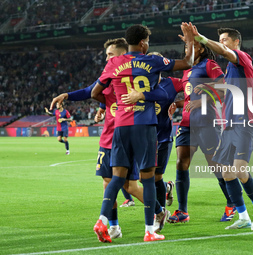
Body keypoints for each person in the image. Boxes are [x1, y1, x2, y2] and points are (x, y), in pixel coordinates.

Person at [49, 38, 169, 240]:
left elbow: (158, 93)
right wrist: (70, 97)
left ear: (122, 55)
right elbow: (90, 91)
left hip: (126, 135)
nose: (107, 58)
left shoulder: (131, 78)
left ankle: (158, 211)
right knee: (108, 183)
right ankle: (114, 226)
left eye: (110, 55)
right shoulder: (108, 77)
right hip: (108, 138)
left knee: (130, 185)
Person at [91, 23, 194, 242]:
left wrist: (110, 105)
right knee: (147, 180)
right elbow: (188, 62)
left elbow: (94, 92)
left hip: (120, 127)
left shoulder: (113, 64)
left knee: (116, 179)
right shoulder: (153, 61)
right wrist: (189, 42)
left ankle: (102, 220)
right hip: (145, 128)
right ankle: (149, 231)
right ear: (143, 43)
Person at [192, 24, 253, 230]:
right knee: (226, 173)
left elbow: (224, 51)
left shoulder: (242, 58)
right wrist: (208, 87)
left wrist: (203, 40)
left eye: (225, 39)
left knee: (240, 170)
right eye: (221, 39)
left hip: (244, 123)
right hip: (230, 125)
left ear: (236, 42)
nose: (222, 43)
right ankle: (243, 216)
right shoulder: (231, 68)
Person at [165, 40, 234, 223]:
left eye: (192, 46)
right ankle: (182, 211)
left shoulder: (209, 65)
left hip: (206, 121)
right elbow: (190, 98)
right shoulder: (187, 70)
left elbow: (224, 90)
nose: (187, 49)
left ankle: (232, 204)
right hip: (187, 123)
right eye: (186, 47)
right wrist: (177, 104)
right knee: (181, 163)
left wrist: (202, 102)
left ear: (202, 48)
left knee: (215, 165)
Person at [121, 52, 183, 217]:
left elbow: (195, 90)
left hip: (163, 136)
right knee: (143, 179)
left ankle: (160, 212)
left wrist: (179, 103)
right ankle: (166, 191)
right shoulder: (136, 85)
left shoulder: (172, 83)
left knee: (155, 177)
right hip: (142, 136)